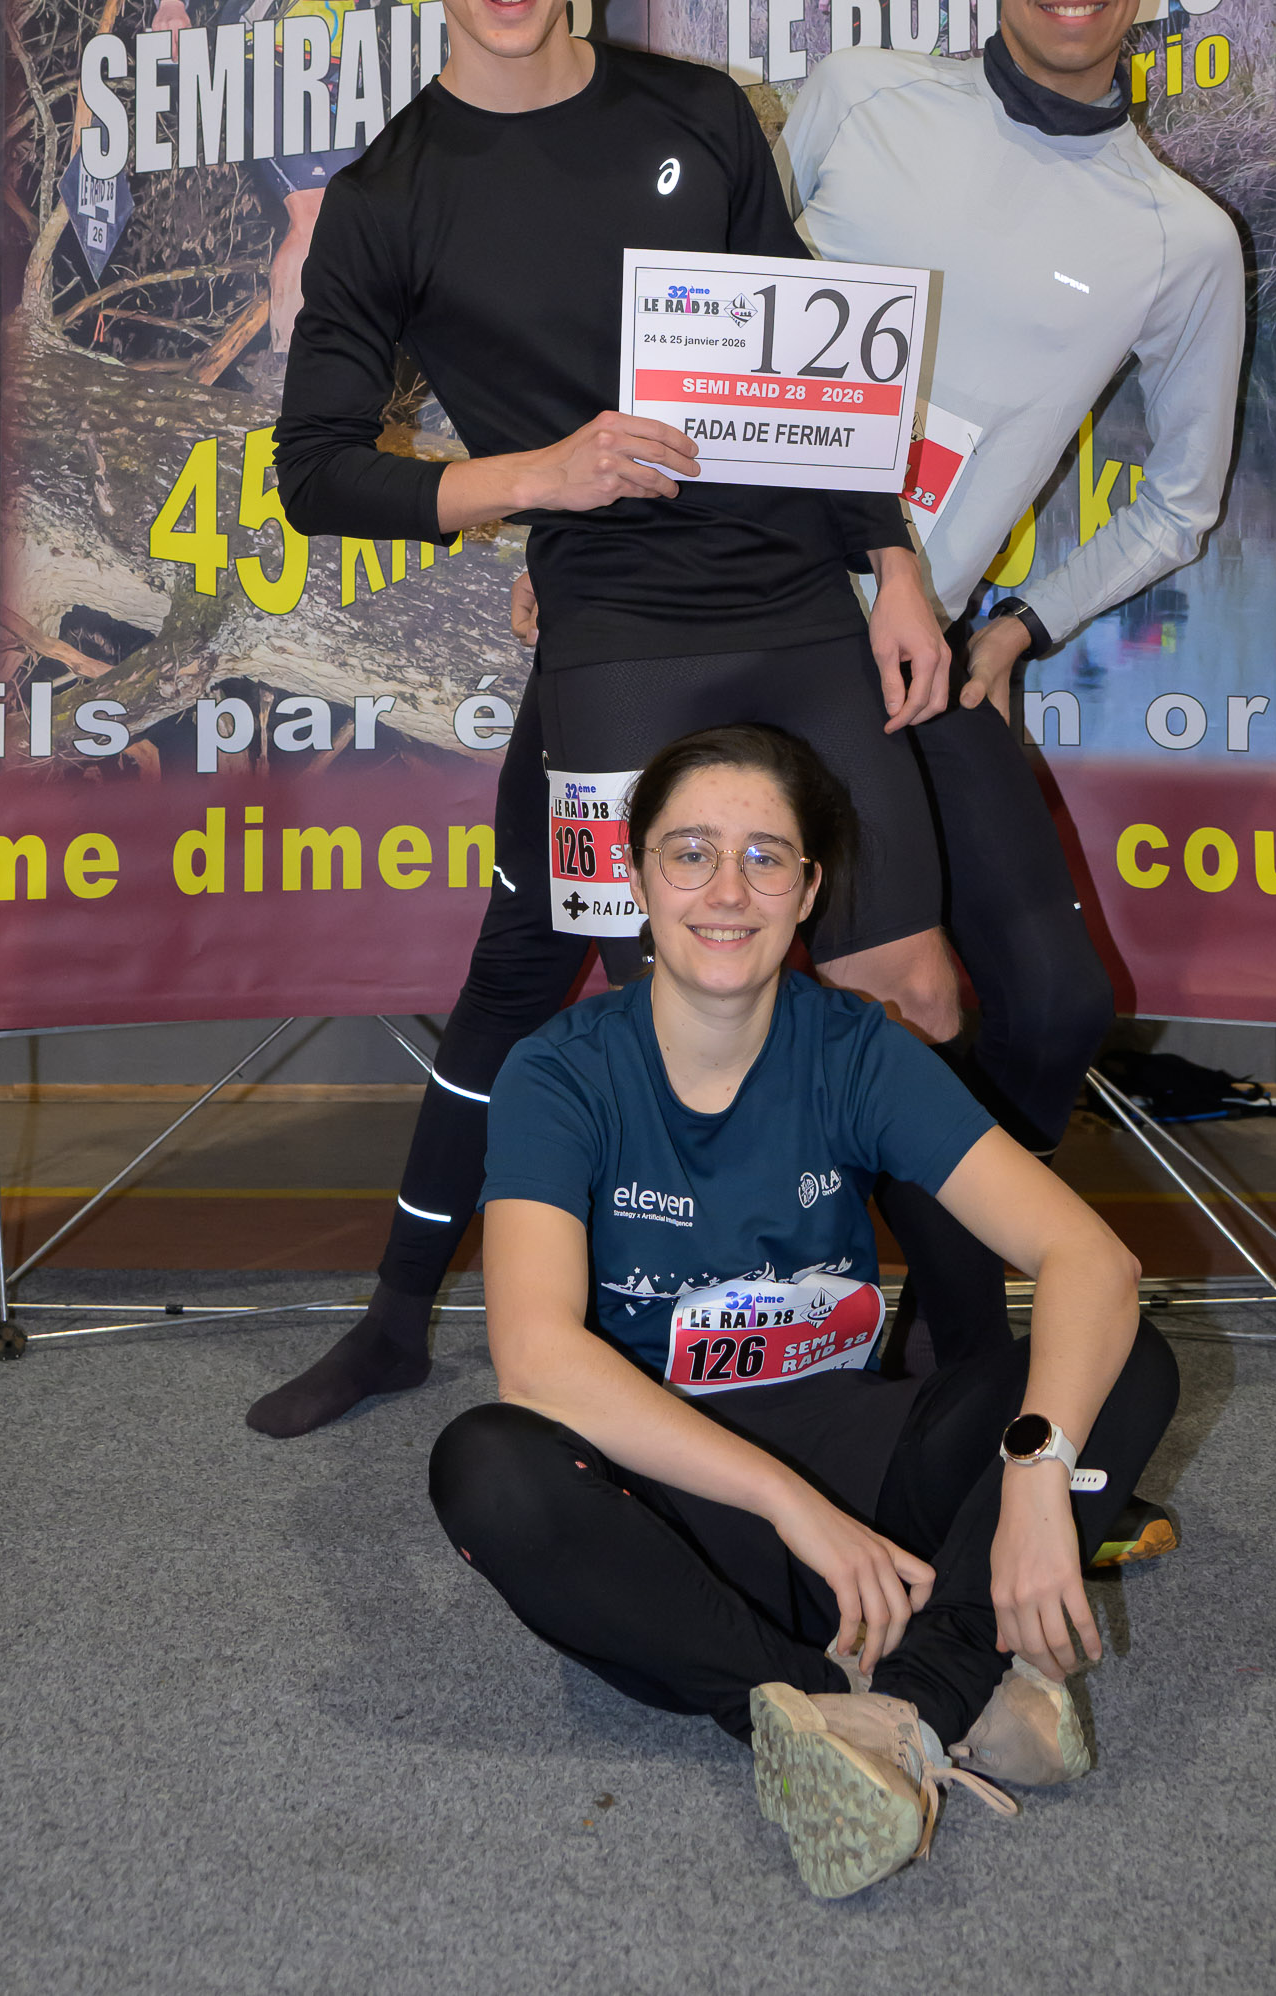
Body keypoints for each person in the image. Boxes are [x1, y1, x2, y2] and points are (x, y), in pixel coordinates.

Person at [248, 0, 958, 1440]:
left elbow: (812, 377)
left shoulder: (696, 113)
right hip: (618, 635)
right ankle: (432, 1325)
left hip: (792, 596)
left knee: (915, 991)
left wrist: (894, 566)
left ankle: (957, 1357)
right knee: (650, 996)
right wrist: (535, 479)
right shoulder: (388, 194)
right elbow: (315, 472)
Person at [428, 724, 1181, 1899]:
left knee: (1126, 1361)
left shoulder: (854, 1047)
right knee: (486, 1465)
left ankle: (905, 1701)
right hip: (673, 1503)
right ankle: (914, 1696)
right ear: (635, 877)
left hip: (863, 1469)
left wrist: (1037, 1473)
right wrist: (788, 1505)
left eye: (764, 857)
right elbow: (533, 1356)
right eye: (689, 853)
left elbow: (1089, 1258)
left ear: (807, 891)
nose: (727, 891)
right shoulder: (559, 1070)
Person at [776, 0, 1245, 1237]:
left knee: (1050, 1007)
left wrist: (1022, 623)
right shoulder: (859, 94)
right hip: (726, 601)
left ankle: (940, 1287)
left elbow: (1179, 505)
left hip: (916, 656)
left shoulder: (1179, 238)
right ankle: (873, 1293)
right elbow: (710, 322)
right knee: (851, 986)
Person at [150, 0, 436, 350]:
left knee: (359, 219)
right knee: (313, 212)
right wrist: (171, 3)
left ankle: (331, 350)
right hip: (262, 67)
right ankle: (285, 363)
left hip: (332, 85)